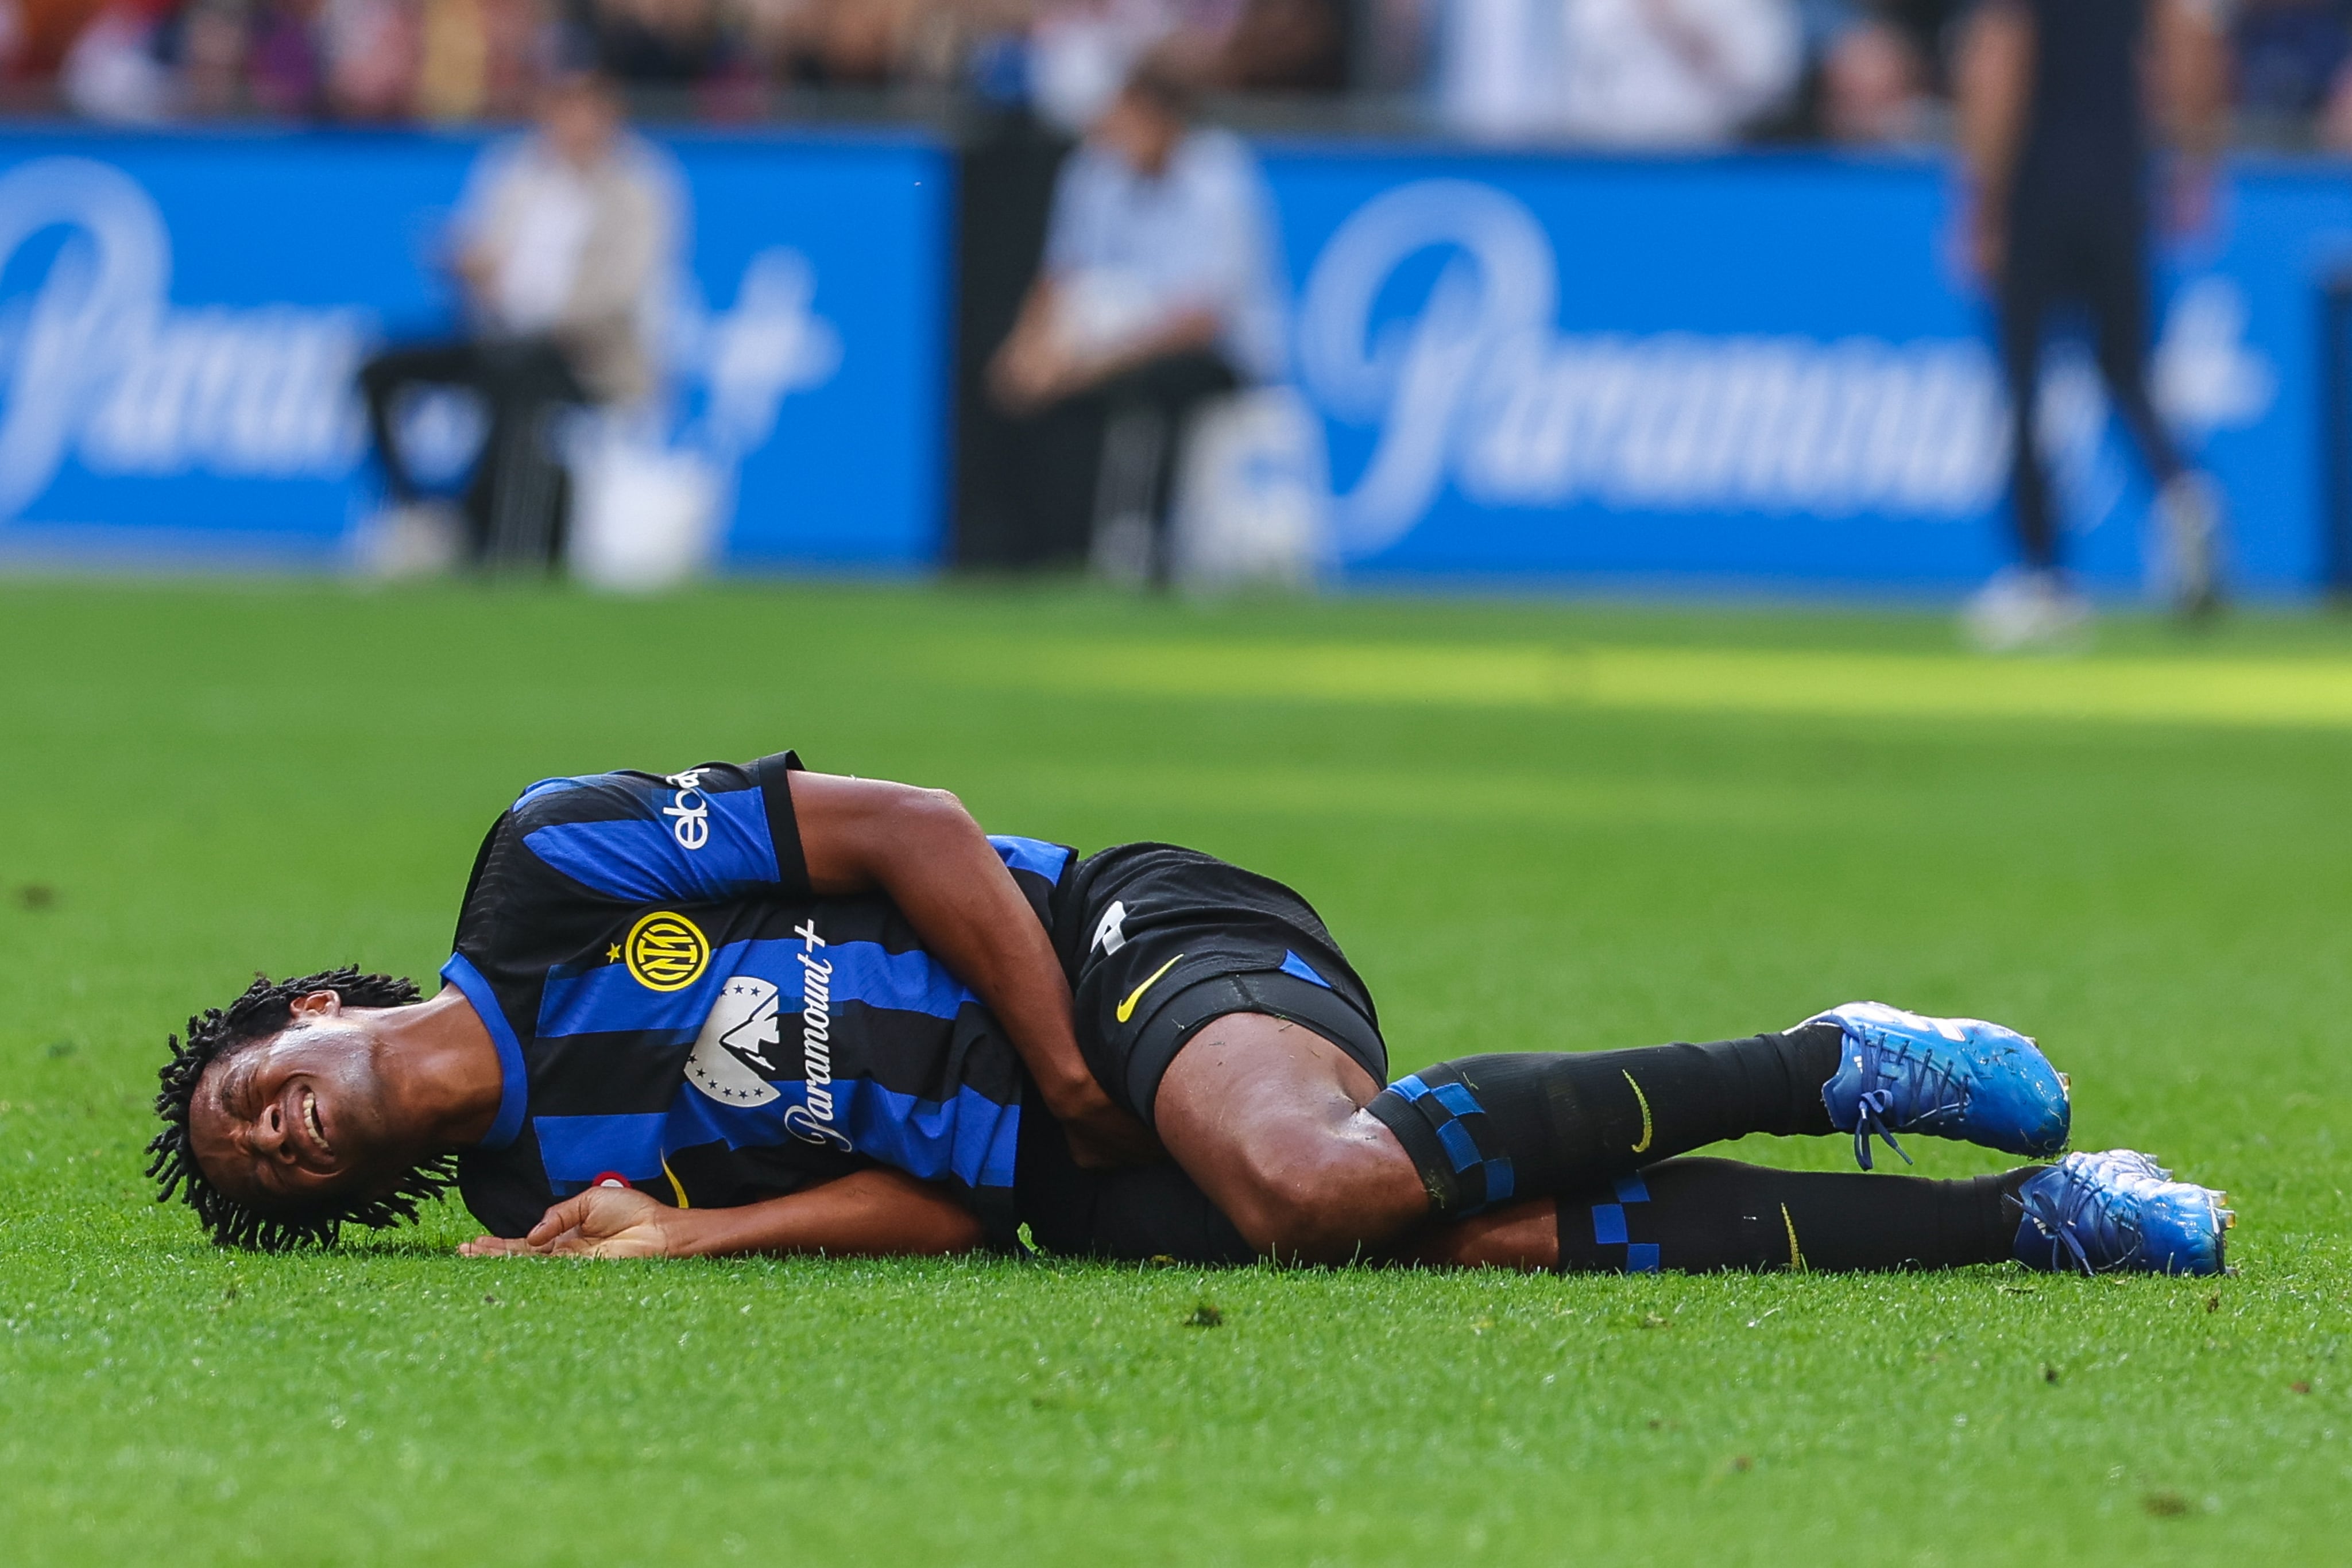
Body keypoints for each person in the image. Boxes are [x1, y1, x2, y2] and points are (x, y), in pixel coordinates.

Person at [149, 750, 2232, 1278]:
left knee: (1310, 1182)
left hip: (1124, 937)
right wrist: (692, 1233)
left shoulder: (536, 875)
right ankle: (2030, 1226)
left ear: (317, 1011)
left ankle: (1830, 1057)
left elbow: (910, 827)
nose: (270, 1124)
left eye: (255, 1086)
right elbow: (935, 1218)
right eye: (266, 1157)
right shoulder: (549, 1182)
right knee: (1474, 1239)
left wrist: (1061, 1059)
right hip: (1055, 1169)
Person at [1955, 0, 2230, 647]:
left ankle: (2042, 577)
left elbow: (2002, 64)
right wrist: (2194, 160)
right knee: (2126, 374)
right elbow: (2191, 42)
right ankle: (2180, 489)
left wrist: (1983, 199)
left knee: (2023, 386)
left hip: (2037, 189)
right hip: (2118, 185)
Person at [358, 69, 678, 571]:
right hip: (499, 338)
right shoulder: (515, 172)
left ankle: (495, 541)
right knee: (378, 367)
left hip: (588, 356)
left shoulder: (639, 185)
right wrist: (472, 270)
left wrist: (545, 316)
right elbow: (488, 255)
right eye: (563, 110)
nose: (573, 124)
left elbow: (623, 292)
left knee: (520, 375)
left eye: (585, 111)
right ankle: (413, 510)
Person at [988, 55, 1286, 584]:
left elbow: (1202, 319)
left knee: (1160, 391)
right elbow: (1060, 275)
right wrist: (1028, 350)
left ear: (1165, 118)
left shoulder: (1220, 176)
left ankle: (1153, 550)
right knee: (1023, 389)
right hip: (1109, 345)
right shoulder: (1094, 170)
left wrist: (1093, 366)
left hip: (1216, 355)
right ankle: (1042, 551)